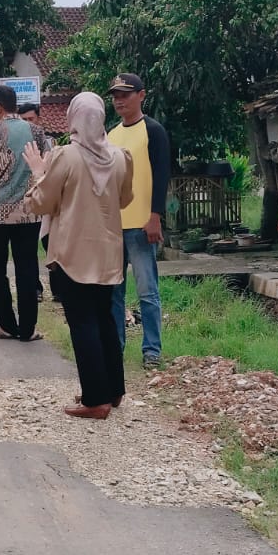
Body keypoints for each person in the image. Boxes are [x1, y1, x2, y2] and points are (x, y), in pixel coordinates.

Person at [23, 93, 134, 419]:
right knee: (104, 318)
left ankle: (95, 399)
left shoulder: (67, 156)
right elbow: (124, 199)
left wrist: (38, 171)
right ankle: (113, 389)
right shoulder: (120, 157)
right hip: (109, 252)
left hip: (73, 252)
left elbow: (41, 202)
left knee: (82, 321)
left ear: (73, 118)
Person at [106, 73, 171, 370]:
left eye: (125, 94)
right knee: (113, 291)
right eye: (115, 96)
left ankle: (152, 350)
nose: (119, 101)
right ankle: (115, 346)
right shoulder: (111, 135)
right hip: (113, 226)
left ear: (141, 95)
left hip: (142, 224)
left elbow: (161, 175)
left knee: (147, 290)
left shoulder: (153, 131)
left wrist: (155, 216)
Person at [0, 84, 43, 342]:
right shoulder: (36, 131)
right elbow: (45, 168)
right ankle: (28, 329)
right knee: (27, 269)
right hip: (30, 213)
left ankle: (6, 325)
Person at [17, 101, 53, 303]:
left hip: (47, 201)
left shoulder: (49, 144)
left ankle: (58, 289)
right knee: (28, 249)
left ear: (39, 119)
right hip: (25, 203)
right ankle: (35, 288)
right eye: (24, 120)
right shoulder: (15, 144)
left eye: (31, 119)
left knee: (52, 244)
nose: (28, 124)